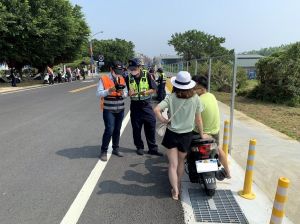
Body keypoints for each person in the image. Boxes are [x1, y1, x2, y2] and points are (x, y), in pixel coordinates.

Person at [154, 71, 208, 200]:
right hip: (186, 136)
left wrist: (163, 120)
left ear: (176, 84)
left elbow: (156, 109)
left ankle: (175, 191)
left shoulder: (171, 97)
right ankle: (178, 183)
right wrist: (202, 134)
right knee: (181, 162)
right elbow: (198, 119)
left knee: (172, 164)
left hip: (172, 134)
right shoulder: (195, 98)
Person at [192, 75, 231, 178]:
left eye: (194, 88)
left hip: (203, 133)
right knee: (219, 148)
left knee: (183, 147)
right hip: (215, 131)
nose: (193, 90)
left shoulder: (198, 100)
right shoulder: (212, 96)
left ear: (201, 88)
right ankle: (227, 172)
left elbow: (196, 119)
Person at [126, 58, 162, 156]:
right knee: (136, 128)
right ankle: (139, 147)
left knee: (150, 126)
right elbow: (125, 92)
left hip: (146, 105)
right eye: (131, 68)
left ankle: (153, 148)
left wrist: (146, 92)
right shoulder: (128, 77)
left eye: (134, 68)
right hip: (135, 106)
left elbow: (154, 89)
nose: (132, 70)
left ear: (139, 67)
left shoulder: (148, 75)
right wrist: (128, 93)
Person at [96, 61, 128, 161]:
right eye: (117, 70)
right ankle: (103, 151)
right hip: (109, 109)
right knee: (109, 129)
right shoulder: (104, 78)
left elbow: (126, 93)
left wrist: (123, 93)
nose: (119, 73)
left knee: (117, 130)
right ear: (111, 69)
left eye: (120, 71)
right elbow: (99, 93)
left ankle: (116, 148)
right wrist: (110, 90)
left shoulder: (122, 78)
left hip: (120, 109)